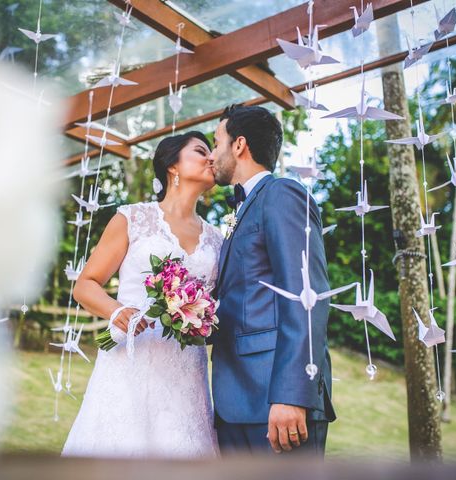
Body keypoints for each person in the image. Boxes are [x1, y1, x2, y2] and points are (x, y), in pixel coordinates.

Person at [62, 131, 223, 458]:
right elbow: (86, 284)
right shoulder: (132, 218)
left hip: (185, 371)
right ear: (172, 165)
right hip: (129, 357)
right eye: (200, 151)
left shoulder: (218, 239)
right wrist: (117, 311)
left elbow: (215, 306)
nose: (211, 158)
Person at [209, 104, 336, 456]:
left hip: (274, 401)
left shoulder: (281, 194)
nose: (211, 155)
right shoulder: (243, 209)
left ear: (239, 145)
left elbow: (306, 296)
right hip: (237, 398)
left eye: (216, 142)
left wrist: (291, 395)